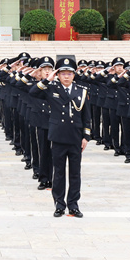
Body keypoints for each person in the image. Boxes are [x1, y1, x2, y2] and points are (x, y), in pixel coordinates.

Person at [28, 57, 92, 217]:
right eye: (63, 73)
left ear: (74, 74)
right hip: (58, 136)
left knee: (75, 173)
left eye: (69, 73)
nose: (66, 76)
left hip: (76, 137)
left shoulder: (82, 91)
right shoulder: (51, 89)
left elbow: (87, 116)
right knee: (59, 173)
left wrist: (86, 137)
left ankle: (73, 204)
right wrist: (48, 80)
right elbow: (33, 92)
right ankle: (59, 204)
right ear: (58, 75)